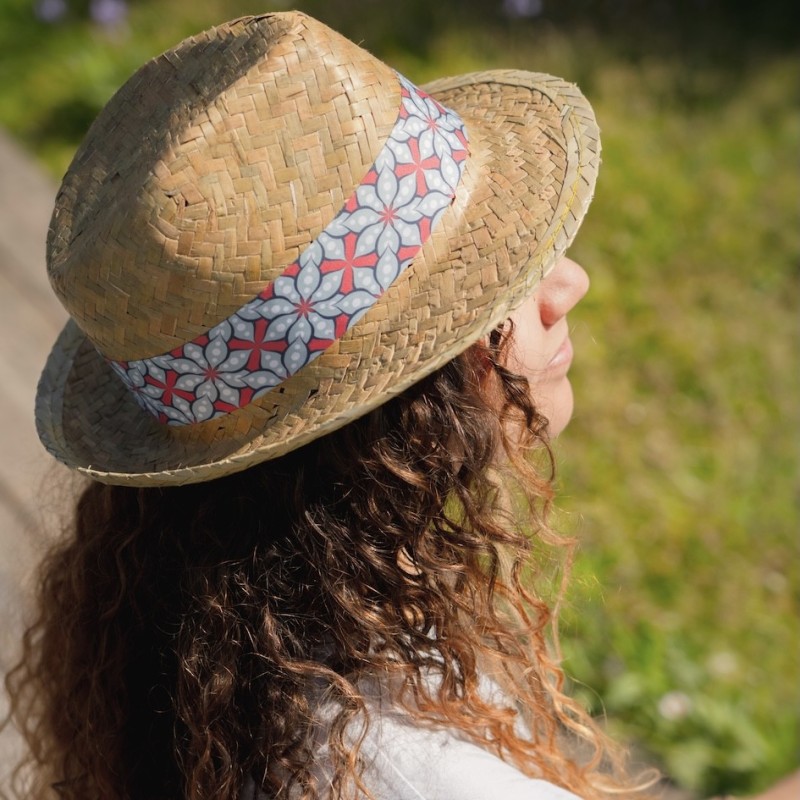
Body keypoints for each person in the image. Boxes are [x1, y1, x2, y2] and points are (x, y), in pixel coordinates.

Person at [9, 10, 795, 800]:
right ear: (398, 413)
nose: (570, 284)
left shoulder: (222, 656)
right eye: (492, 289)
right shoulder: (410, 770)